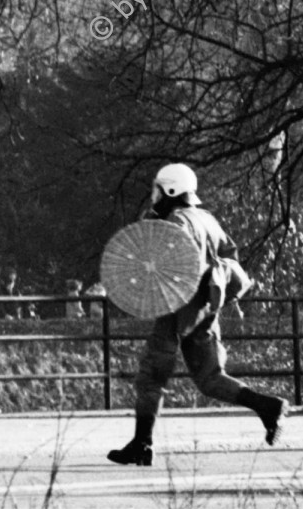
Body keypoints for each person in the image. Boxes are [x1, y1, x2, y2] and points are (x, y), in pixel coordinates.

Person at [107, 163, 289, 466]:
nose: (153, 195)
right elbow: (229, 255)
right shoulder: (206, 218)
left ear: (171, 190)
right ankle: (267, 407)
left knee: (151, 378)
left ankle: (142, 444)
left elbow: (168, 258)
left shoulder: (178, 220)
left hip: (176, 307)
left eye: (157, 189)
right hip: (206, 307)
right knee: (210, 377)